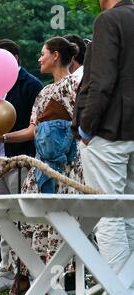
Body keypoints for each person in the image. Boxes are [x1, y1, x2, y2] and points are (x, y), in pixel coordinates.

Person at [0, 36, 82, 295]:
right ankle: (23, 283)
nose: (39, 58)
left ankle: (53, 287)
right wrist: (2, 138)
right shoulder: (43, 92)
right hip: (38, 168)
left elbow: (84, 124)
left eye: (43, 53)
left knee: (56, 231)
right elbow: (31, 130)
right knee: (28, 227)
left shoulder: (75, 85)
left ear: (56, 56)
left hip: (65, 170)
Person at [75, 0, 134, 273]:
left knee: (108, 214)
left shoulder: (108, 20)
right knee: (130, 215)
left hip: (108, 131)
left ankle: (120, 289)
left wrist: (86, 126)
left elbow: (101, 81)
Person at [0, 39, 43, 295]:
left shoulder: (31, 85)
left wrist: (4, 137)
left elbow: (34, 129)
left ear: (14, 58)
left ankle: (22, 272)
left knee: (22, 218)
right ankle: (5, 270)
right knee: (2, 217)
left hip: (22, 161)